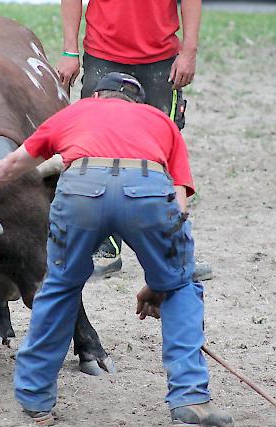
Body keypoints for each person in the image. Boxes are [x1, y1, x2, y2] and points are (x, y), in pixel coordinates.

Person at [0, 73, 232, 427]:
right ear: (137, 102)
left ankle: (36, 400)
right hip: (147, 188)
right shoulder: (161, 121)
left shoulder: (75, 112)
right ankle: (190, 401)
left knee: (59, 287)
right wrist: (164, 279)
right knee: (182, 288)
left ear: (96, 95)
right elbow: (179, 204)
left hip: (81, 192)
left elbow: (12, 165)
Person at [56, 0, 213, 281]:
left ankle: (172, 248)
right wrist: (70, 49)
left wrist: (188, 52)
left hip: (160, 60)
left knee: (160, 156)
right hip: (103, 54)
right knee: (96, 151)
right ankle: (103, 246)